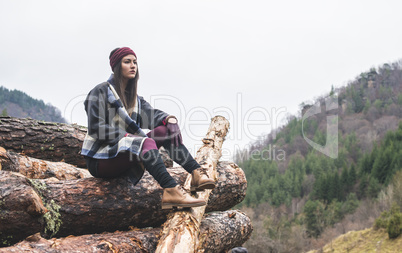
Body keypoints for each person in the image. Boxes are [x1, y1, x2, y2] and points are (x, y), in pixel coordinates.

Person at [81, 47, 215, 209]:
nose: (133, 66)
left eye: (135, 62)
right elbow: (97, 128)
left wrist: (169, 119)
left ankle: (195, 173)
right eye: (127, 62)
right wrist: (126, 137)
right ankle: (171, 190)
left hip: (124, 154)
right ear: (116, 66)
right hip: (100, 159)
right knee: (145, 142)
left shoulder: (135, 99)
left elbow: (152, 115)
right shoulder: (100, 91)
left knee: (165, 130)